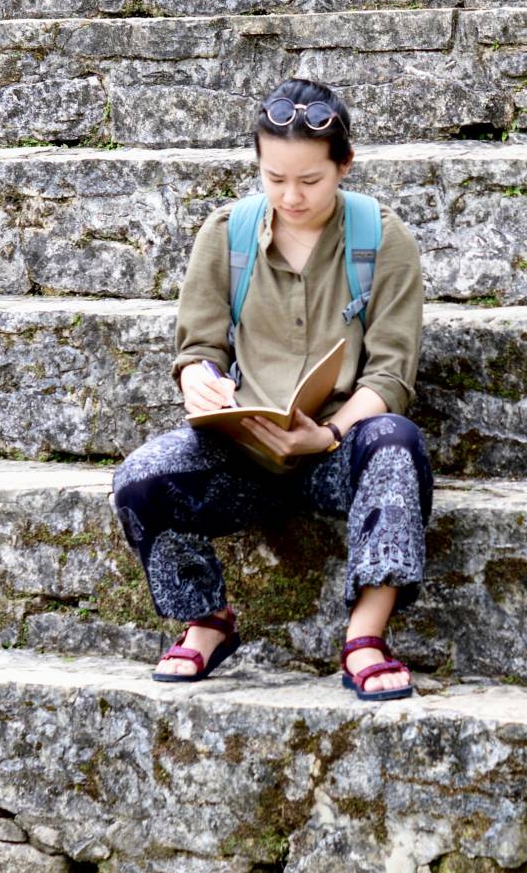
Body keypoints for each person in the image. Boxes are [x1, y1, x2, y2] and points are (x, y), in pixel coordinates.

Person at [109, 78, 431, 701]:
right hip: (246, 453)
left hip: (341, 448)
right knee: (141, 480)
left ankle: (366, 635)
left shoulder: (382, 239)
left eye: (310, 181)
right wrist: (198, 384)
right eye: (273, 177)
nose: (291, 195)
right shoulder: (226, 233)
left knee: (398, 443)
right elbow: (198, 349)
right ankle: (207, 619)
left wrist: (331, 433)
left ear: (345, 165)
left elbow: (391, 374)